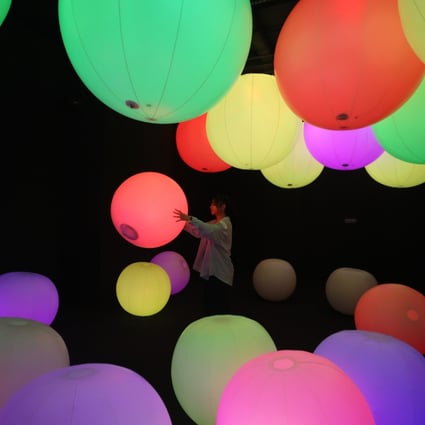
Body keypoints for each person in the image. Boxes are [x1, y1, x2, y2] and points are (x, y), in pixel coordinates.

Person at [173, 193, 234, 315]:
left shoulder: (224, 226)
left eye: (213, 204)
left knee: (219, 309)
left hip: (220, 273)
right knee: (210, 305)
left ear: (222, 207)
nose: (210, 206)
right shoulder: (214, 223)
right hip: (213, 273)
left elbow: (207, 230)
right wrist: (182, 224)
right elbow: (199, 231)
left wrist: (189, 218)